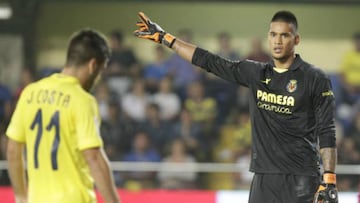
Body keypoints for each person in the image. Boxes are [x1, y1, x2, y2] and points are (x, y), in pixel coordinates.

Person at [134, 11, 338, 203]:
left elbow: (327, 130)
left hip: (301, 178)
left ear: (296, 39)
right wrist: (165, 39)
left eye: (284, 35)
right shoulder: (255, 73)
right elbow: (210, 61)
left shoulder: (315, 78)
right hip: (263, 178)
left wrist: (329, 180)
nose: (277, 40)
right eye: (273, 34)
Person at [6, 29, 120, 203]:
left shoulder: (30, 92)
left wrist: (21, 196)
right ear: (93, 65)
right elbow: (94, 157)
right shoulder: (82, 100)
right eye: (100, 70)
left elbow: (13, 149)